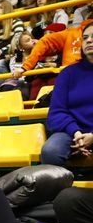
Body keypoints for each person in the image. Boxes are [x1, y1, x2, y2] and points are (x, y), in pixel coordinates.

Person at [40, 23, 93, 166]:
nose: (89, 41)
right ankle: (60, 187)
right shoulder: (68, 73)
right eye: (85, 38)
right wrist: (76, 134)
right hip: (72, 133)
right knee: (51, 151)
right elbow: (56, 112)